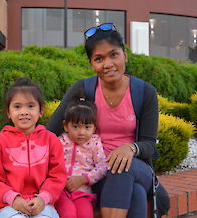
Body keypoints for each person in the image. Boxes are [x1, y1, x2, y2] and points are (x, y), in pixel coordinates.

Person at [47, 23, 169, 218]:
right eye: (99, 58)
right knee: (136, 195)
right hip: (96, 173)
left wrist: (130, 148)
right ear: (92, 64)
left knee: (120, 166)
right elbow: (50, 132)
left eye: (114, 55)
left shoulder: (144, 92)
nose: (108, 64)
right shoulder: (83, 89)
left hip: (137, 167)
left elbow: (149, 144)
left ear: (125, 55)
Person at [0, 78, 67, 218]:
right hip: (8, 205)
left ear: (41, 110)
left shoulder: (51, 140)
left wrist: (43, 198)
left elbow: (57, 175)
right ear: (8, 112)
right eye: (17, 107)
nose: (24, 112)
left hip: (42, 202)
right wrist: (13, 199)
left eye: (30, 106)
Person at [54, 91, 107, 218]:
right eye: (76, 127)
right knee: (68, 213)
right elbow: (51, 164)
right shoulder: (60, 142)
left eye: (87, 127)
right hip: (60, 191)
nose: (81, 132)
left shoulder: (94, 144)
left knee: (85, 214)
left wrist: (84, 179)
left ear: (94, 128)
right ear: (66, 126)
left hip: (82, 191)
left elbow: (103, 166)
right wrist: (59, 180)